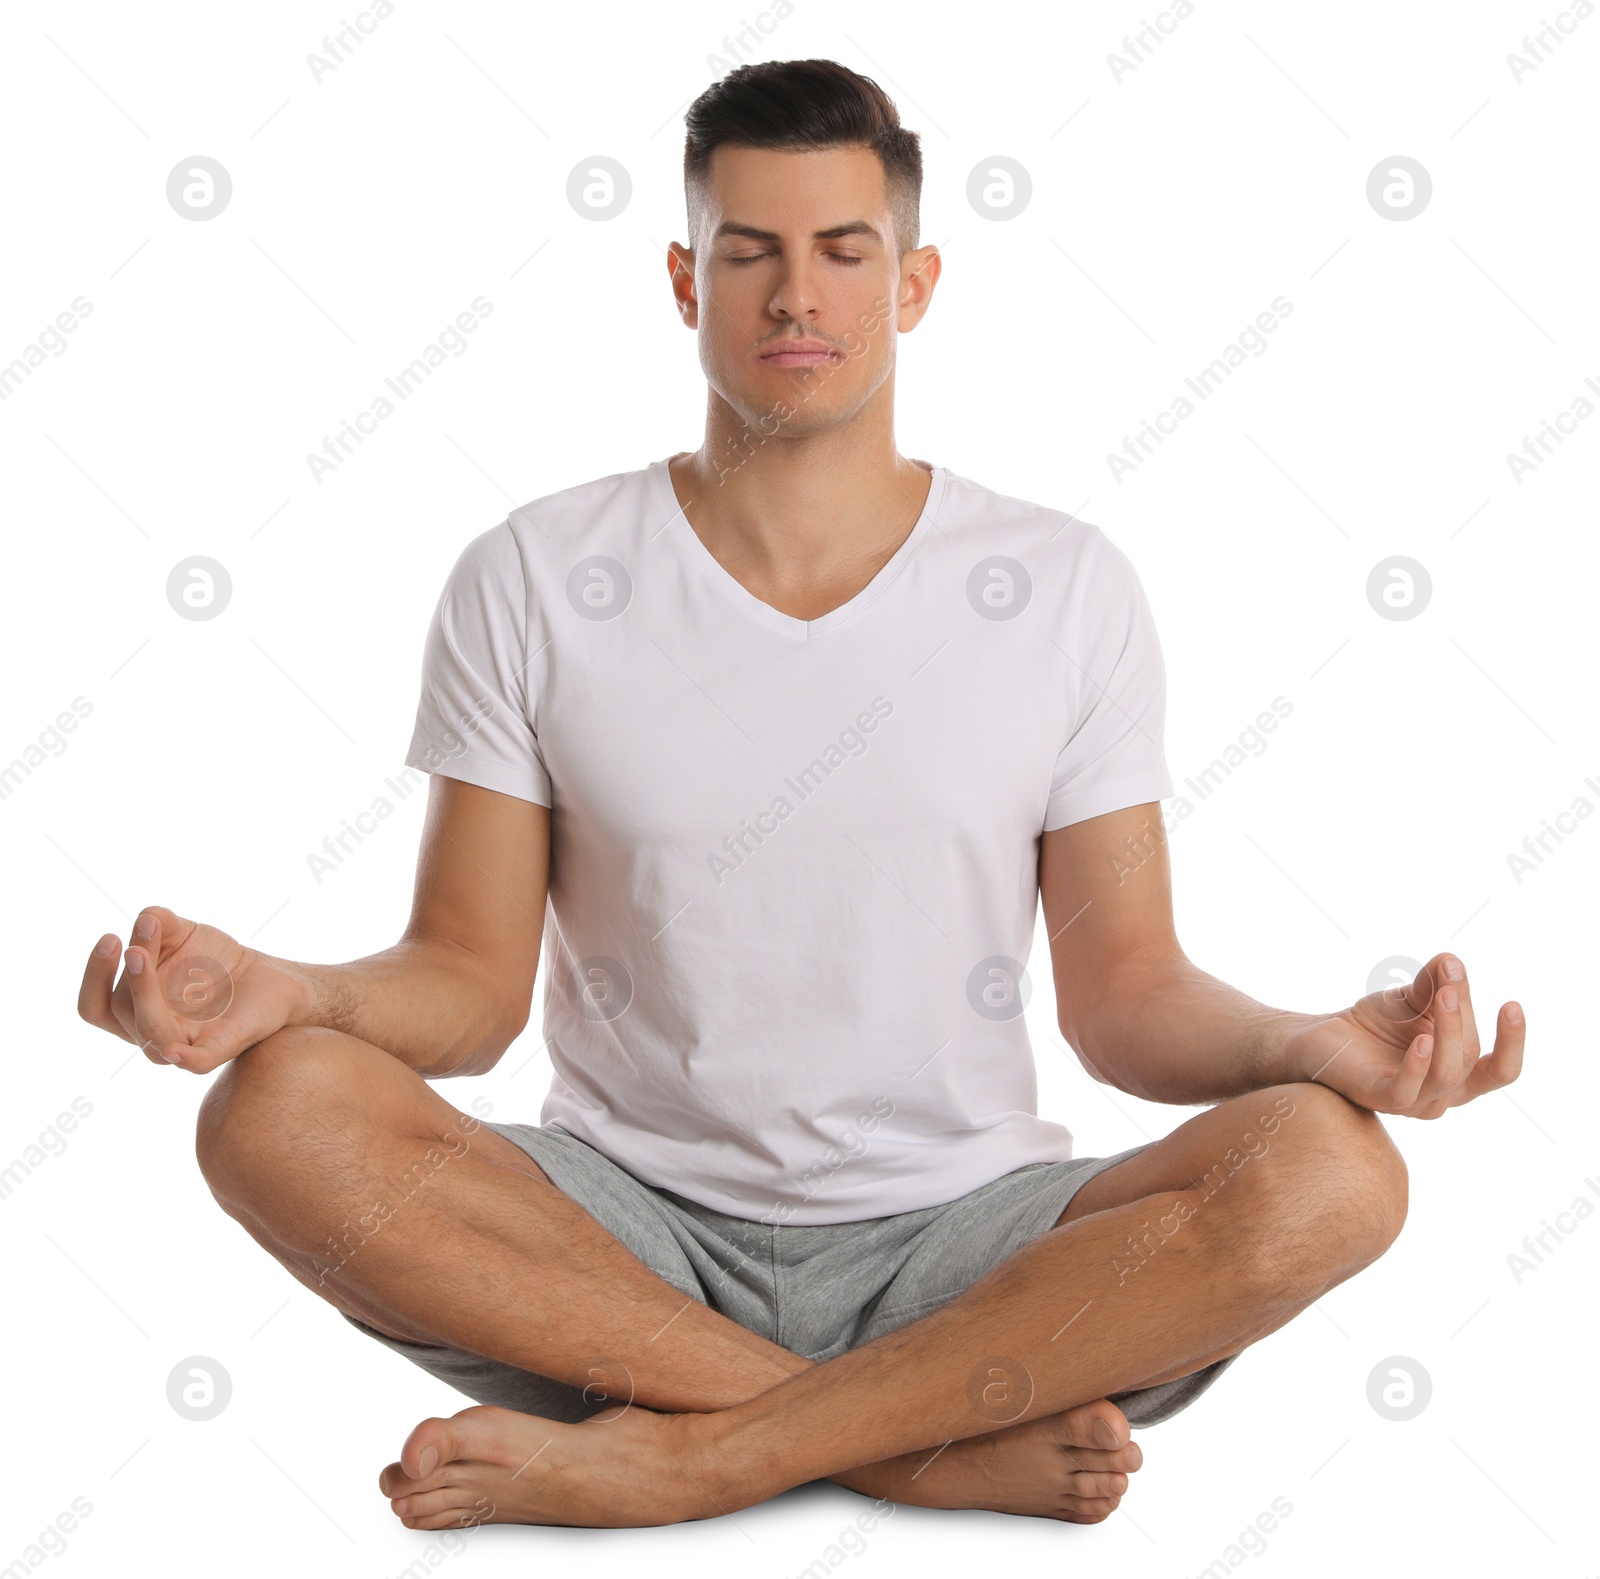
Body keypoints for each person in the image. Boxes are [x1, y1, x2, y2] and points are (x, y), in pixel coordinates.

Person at [77, 58, 1524, 1530]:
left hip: (976, 1246)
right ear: (682, 279)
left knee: (1336, 1176)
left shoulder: (1065, 589)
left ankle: (700, 1450)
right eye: (747, 252)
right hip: (621, 1246)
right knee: (273, 1114)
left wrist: (1309, 1043)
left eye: (844, 253)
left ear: (916, 282)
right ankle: (911, 1445)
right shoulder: (529, 576)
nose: (794, 300)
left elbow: (1126, 995)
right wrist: (286, 993)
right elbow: (465, 985)